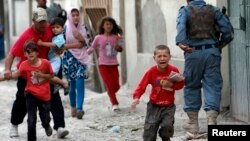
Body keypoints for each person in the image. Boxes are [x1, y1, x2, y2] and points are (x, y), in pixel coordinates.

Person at [4, 8, 68, 138]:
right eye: (39, 22)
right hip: (26, 72)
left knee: (54, 97)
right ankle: (14, 125)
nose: (43, 25)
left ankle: (60, 127)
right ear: (33, 21)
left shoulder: (51, 28)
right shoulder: (26, 35)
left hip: (45, 69)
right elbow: (11, 54)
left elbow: (60, 38)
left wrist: (60, 48)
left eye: (44, 21)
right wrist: (7, 69)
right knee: (21, 100)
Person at [175, 0, 234, 134]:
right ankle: (212, 121)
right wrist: (219, 45)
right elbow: (228, 32)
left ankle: (193, 124)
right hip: (212, 52)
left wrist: (180, 42)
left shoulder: (185, 10)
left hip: (192, 52)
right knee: (212, 84)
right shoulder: (214, 10)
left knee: (191, 84)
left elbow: (181, 26)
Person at [1, 42, 54, 141]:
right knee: (31, 119)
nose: (30, 53)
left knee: (45, 117)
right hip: (31, 94)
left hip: (44, 95)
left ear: (37, 52)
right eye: (27, 52)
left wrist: (41, 75)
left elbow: (51, 76)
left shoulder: (46, 63)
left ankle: (46, 125)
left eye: (32, 51)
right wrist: (3, 77)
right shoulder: (24, 65)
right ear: (25, 54)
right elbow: (15, 75)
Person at [131, 45, 184, 141]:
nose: (162, 58)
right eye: (159, 56)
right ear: (154, 58)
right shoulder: (151, 72)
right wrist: (136, 97)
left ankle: (165, 137)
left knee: (167, 126)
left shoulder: (174, 70)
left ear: (169, 57)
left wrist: (172, 85)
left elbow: (180, 85)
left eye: (165, 56)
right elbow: (141, 86)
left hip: (169, 106)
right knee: (150, 131)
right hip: (154, 106)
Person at [87, 16, 124, 111]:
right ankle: (115, 104)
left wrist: (118, 48)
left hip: (114, 64)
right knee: (110, 84)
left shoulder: (116, 37)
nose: (109, 26)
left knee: (116, 86)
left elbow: (121, 48)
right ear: (103, 26)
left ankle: (110, 92)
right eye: (107, 24)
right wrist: (84, 54)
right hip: (103, 65)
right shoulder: (98, 37)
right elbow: (92, 47)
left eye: (111, 24)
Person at [62, 8, 92, 119]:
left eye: (77, 15)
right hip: (69, 59)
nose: (75, 17)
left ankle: (80, 108)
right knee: (72, 85)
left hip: (81, 59)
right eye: (73, 15)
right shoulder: (66, 28)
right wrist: (76, 45)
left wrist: (82, 40)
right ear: (70, 17)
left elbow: (90, 43)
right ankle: (73, 106)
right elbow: (61, 46)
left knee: (80, 81)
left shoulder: (84, 28)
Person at [37, 17, 69, 95]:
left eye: (57, 27)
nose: (55, 29)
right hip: (51, 59)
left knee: (50, 76)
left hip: (56, 59)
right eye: (53, 27)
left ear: (62, 28)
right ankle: (58, 84)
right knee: (48, 76)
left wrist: (42, 43)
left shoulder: (60, 38)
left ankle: (64, 84)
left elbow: (53, 45)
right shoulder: (54, 36)